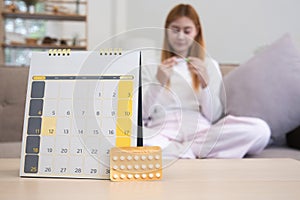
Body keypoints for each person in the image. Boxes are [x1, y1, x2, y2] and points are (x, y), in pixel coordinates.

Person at [142, 4, 270, 158]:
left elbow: (213, 117)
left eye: (187, 31)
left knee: (260, 130)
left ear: (196, 31)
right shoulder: (150, 64)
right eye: (175, 30)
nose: (180, 36)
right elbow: (142, 115)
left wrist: (205, 85)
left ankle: (183, 152)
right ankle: (191, 152)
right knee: (124, 137)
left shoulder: (209, 65)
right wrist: (158, 82)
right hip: (161, 132)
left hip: (200, 133)